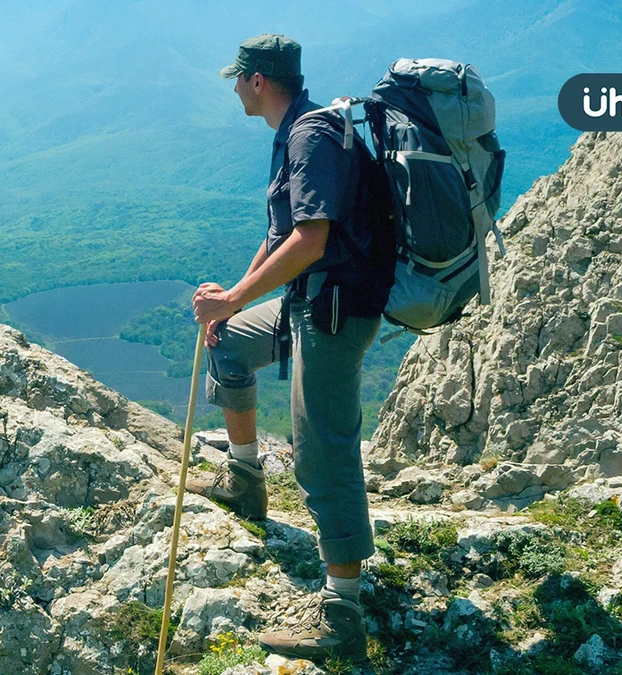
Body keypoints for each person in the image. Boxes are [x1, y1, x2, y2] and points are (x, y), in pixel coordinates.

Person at [185, 33, 384, 664]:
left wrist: (237, 297)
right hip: (306, 301)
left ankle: (342, 610)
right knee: (228, 346)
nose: (234, 89)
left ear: (258, 80)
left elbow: (311, 240)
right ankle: (246, 480)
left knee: (322, 448)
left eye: (237, 79)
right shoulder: (292, 130)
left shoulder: (310, 136)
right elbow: (279, 235)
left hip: (333, 310)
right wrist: (232, 302)